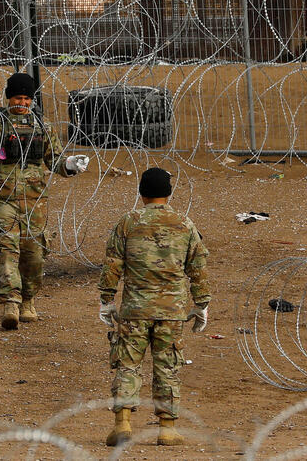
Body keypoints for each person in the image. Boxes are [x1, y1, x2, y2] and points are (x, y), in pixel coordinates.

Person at [97, 167, 210, 447]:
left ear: (141, 192)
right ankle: (167, 428)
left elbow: (113, 264)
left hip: (134, 309)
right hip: (171, 311)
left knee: (127, 364)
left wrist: (107, 299)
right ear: (168, 193)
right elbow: (197, 267)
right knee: (168, 366)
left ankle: (122, 423)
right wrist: (202, 303)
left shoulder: (128, 222)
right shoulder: (184, 223)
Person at [0, 71, 88, 330]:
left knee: (34, 253)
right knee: (8, 249)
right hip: (4, 195)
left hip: (35, 198)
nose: (21, 103)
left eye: (26, 98)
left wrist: (69, 165)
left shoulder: (41, 126)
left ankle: (28, 299)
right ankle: (10, 302)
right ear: (8, 97)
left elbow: (53, 159)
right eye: (17, 98)